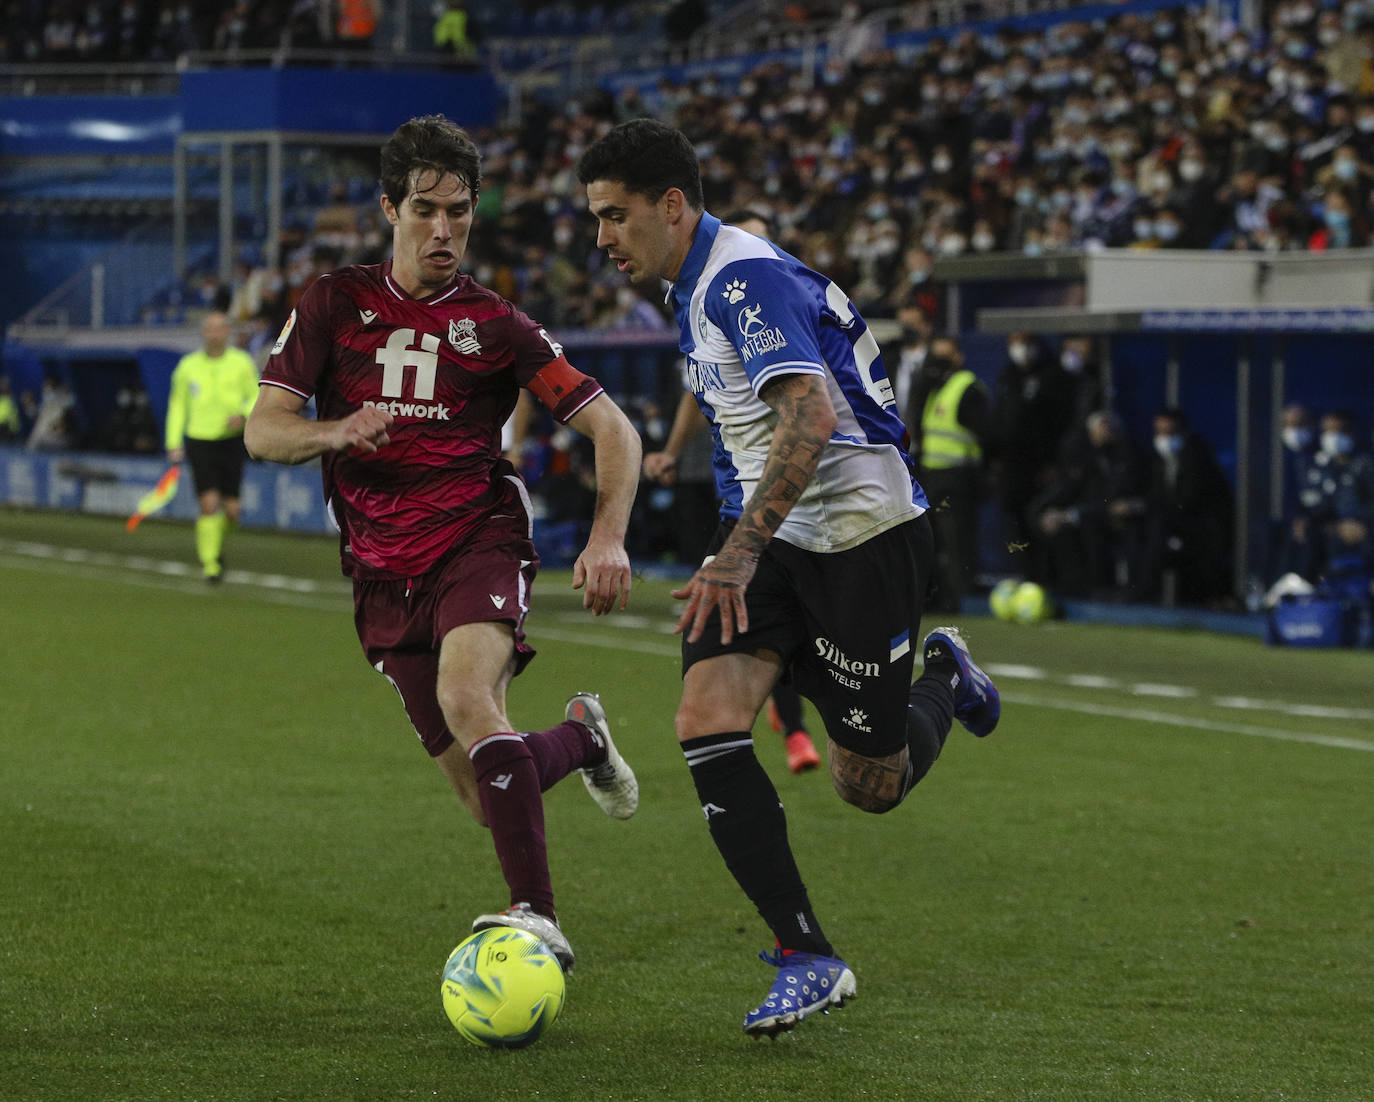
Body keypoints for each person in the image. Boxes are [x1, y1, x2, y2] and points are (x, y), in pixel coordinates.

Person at [578, 118, 1000, 1037]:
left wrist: (735, 550)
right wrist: (742, 541)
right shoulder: (696, 282)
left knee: (867, 784)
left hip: (860, 537)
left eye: (615, 217)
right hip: (771, 537)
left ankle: (943, 677)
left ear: (673, 206)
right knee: (704, 714)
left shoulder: (742, 278)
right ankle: (809, 955)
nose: (602, 238)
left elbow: (809, 419)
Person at [244, 115, 642, 973]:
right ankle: (582, 739)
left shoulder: (497, 325)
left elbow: (613, 427)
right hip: (381, 577)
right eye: (426, 210)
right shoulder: (332, 303)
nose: (444, 230)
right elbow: (264, 433)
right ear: (389, 207)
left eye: (459, 212)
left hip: (478, 539)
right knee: (483, 794)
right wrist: (338, 430)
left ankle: (536, 916)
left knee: (470, 697)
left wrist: (608, 536)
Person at [643, 207, 822, 777]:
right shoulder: (700, 300)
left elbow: (814, 412)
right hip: (735, 498)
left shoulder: (784, 301)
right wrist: (672, 450)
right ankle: (793, 728)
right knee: (741, 621)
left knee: (869, 768)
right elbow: (697, 395)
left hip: (819, 505)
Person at [165, 312, 260, 583]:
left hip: (231, 439)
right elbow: (177, 406)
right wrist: (173, 443)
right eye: (210, 329)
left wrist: (244, 414)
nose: (215, 334)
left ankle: (215, 548)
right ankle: (211, 565)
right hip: (199, 439)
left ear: (227, 332)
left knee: (232, 511)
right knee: (208, 503)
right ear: (204, 333)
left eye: (220, 329)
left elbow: (255, 395)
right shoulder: (187, 366)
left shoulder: (241, 362)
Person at [906, 334, 990, 613]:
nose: (939, 364)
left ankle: (960, 599)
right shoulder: (933, 388)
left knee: (955, 541)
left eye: (946, 357)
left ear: (959, 357)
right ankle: (936, 597)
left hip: (957, 476)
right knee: (931, 540)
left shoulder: (965, 388)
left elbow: (987, 435)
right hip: (931, 474)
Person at [1142, 407, 1235, 607]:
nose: (1164, 438)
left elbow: (1192, 498)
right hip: (1174, 523)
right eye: (1160, 432)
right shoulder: (1158, 461)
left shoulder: (1197, 455)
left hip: (1201, 525)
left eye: (1169, 432)